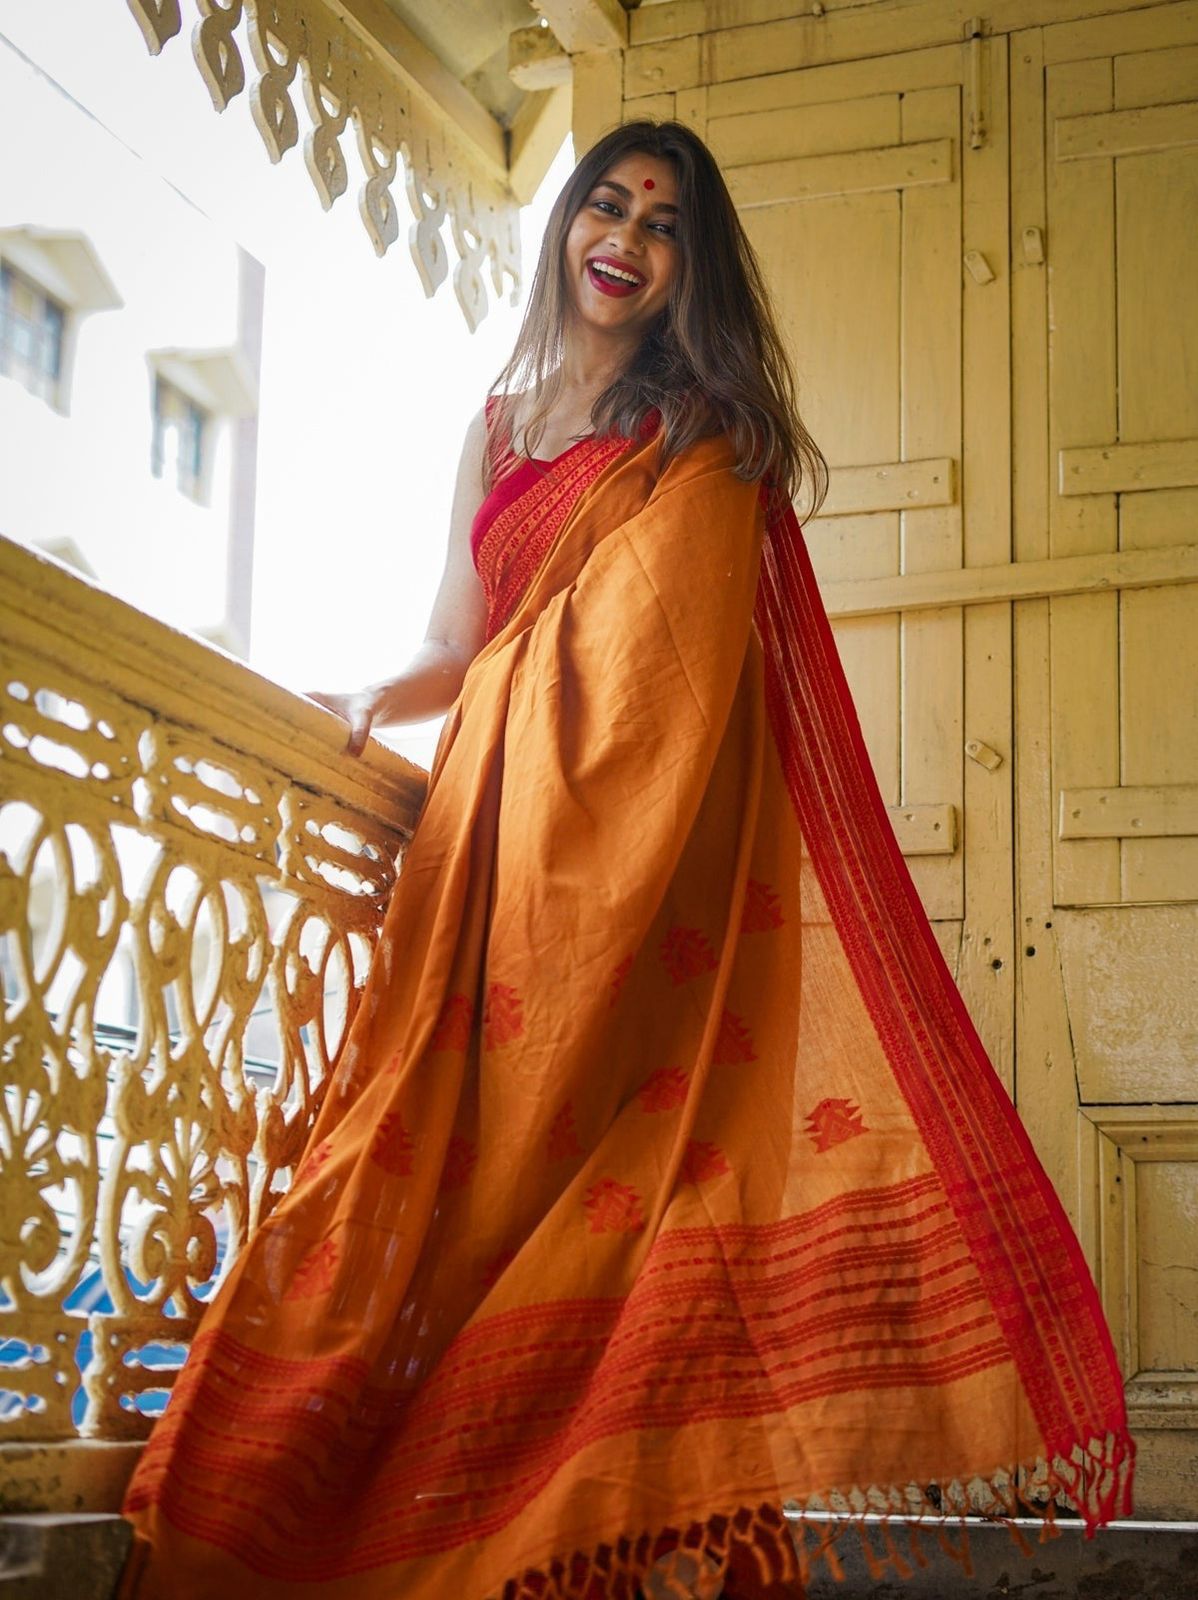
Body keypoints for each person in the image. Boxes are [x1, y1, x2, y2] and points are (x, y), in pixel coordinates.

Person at [118, 121, 1134, 1600]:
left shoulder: (700, 439)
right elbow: (457, 637)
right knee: (414, 1170)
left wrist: (536, 724)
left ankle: (568, 1530)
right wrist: (380, 690)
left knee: (615, 1205)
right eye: (608, 205)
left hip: (622, 879)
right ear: (566, 228)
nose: (628, 237)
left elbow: (672, 663)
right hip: (481, 868)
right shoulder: (496, 425)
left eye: (663, 224)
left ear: (686, 268)